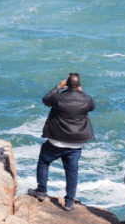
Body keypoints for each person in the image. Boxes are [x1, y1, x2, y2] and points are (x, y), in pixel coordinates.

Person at [26, 73, 96, 211]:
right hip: (76, 143)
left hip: (56, 141)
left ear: (67, 84)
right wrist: (81, 91)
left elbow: (46, 100)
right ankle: (69, 202)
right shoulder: (87, 99)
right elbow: (91, 107)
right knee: (72, 172)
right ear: (79, 85)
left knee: (44, 162)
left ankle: (41, 191)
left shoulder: (58, 97)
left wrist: (58, 86)